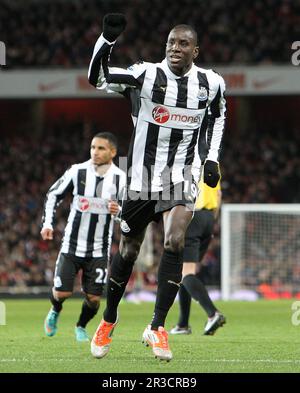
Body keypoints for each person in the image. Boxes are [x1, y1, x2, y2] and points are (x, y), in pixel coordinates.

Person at [88, 14, 226, 361]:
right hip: (140, 178)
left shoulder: (211, 83)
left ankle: (158, 326)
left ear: (196, 49)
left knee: (175, 239)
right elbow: (97, 77)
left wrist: (211, 158)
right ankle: (108, 319)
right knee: (128, 252)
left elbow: (220, 114)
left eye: (182, 44)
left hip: (180, 176)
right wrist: (106, 40)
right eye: (170, 43)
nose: (175, 48)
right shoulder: (145, 74)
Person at [41, 132, 126, 342]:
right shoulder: (77, 171)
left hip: (99, 249)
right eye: (93, 147)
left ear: (112, 152)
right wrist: (48, 224)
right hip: (71, 245)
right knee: (62, 293)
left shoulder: (120, 178)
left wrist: (119, 212)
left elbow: (127, 215)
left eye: (101, 148)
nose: (95, 152)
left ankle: (81, 326)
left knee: (94, 299)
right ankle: (55, 310)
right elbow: (53, 194)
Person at [170, 174, 226, 336]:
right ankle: (182, 324)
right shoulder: (212, 164)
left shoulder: (185, 160)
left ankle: (212, 313)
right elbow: (218, 194)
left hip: (191, 216)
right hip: (208, 218)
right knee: (185, 271)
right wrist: (211, 221)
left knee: (186, 272)